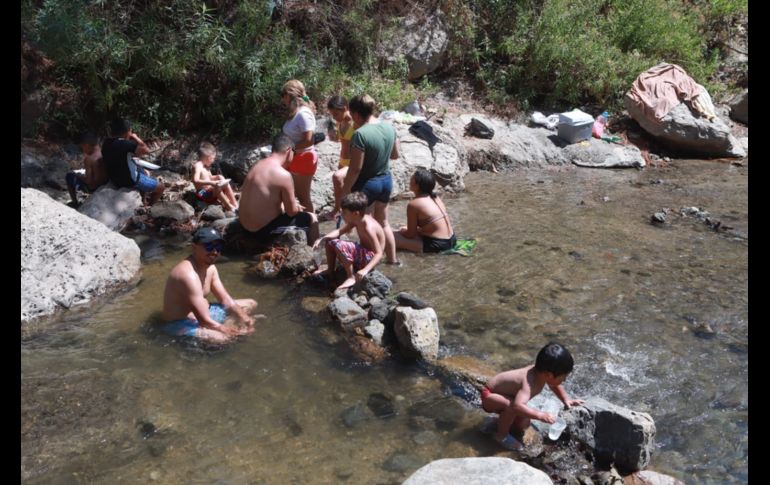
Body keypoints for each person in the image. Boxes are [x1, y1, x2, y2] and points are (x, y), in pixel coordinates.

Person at [161, 227, 261, 344]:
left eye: (218, 247)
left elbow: (226, 300)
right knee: (223, 339)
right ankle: (226, 327)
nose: (214, 251)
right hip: (179, 323)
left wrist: (245, 319)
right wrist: (230, 331)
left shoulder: (211, 268)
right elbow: (203, 321)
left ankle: (229, 323)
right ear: (194, 247)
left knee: (250, 304)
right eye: (209, 246)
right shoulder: (187, 275)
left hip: (206, 313)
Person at [480, 342, 584, 450]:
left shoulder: (542, 374)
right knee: (511, 407)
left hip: (505, 396)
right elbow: (517, 406)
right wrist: (540, 415)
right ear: (549, 375)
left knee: (524, 424)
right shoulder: (529, 382)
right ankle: (501, 435)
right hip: (489, 395)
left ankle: (497, 422)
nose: (565, 380)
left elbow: (554, 384)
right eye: (563, 377)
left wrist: (566, 399)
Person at [339, 94, 401, 264]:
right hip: (386, 181)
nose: (352, 121)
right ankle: (393, 260)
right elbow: (395, 155)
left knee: (364, 225)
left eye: (352, 117)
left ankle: (368, 265)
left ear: (357, 114)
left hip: (367, 184)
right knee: (384, 223)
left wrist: (344, 192)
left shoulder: (360, 134)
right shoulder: (389, 127)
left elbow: (355, 169)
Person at [238, 134, 319, 244]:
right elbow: (291, 212)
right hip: (260, 232)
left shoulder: (257, 165)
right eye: (294, 153)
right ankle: (314, 255)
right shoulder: (283, 174)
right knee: (312, 218)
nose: (294, 157)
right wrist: (296, 207)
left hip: (243, 227)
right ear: (289, 151)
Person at [312, 192, 385, 291]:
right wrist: (322, 238)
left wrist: (365, 270)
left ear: (355, 213)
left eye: (344, 212)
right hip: (364, 253)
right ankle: (330, 269)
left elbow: (379, 253)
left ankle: (351, 277)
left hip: (370, 259)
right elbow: (340, 231)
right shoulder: (357, 220)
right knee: (329, 241)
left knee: (339, 244)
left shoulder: (368, 227)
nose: (342, 215)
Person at [101, 118, 164, 205]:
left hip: (114, 177)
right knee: (161, 187)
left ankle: (143, 200)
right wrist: (136, 137)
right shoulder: (126, 144)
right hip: (128, 180)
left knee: (145, 172)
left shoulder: (106, 143)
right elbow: (146, 150)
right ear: (127, 132)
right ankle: (150, 206)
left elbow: (125, 155)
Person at [394, 168, 456, 253]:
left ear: (417, 185)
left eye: (412, 178)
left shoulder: (414, 204)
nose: (410, 180)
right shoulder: (436, 198)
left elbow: (410, 234)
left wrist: (402, 232)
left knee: (391, 237)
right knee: (402, 228)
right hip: (452, 239)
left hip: (438, 245)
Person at [281, 79, 317, 213]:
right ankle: (300, 224)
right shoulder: (296, 112)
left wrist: (291, 149)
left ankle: (312, 228)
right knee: (294, 195)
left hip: (303, 158)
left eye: (282, 95)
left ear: (288, 95)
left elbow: (309, 140)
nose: (282, 100)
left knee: (303, 198)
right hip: (295, 157)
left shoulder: (303, 113)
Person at [326, 95, 356, 223]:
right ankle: (346, 215)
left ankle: (338, 210)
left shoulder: (355, 122)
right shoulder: (340, 121)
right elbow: (341, 139)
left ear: (345, 108)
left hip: (353, 161)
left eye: (336, 114)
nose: (334, 117)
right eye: (332, 114)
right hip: (342, 160)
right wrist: (334, 136)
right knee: (346, 190)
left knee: (337, 179)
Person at [192, 141, 238, 213]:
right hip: (201, 193)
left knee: (226, 183)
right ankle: (229, 207)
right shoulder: (197, 166)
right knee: (216, 187)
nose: (213, 161)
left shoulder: (206, 166)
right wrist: (212, 183)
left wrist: (218, 177)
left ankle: (235, 204)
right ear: (208, 157)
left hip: (210, 190)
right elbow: (195, 180)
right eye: (213, 158)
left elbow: (209, 177)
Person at [65, 131, 108, 208]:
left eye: (82, 147)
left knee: (69, 176)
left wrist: (79, 176)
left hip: (93, 188)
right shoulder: (104, 152)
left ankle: (75, 202)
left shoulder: (89, 159)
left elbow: (89, 181)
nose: (83, 150)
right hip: (105, 184)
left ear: (86, 145)